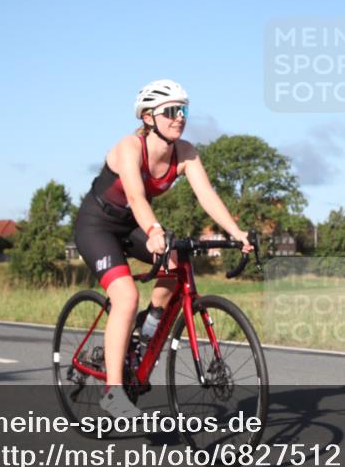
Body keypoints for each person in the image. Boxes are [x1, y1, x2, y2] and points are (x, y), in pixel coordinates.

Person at [73, 79, 253, 419]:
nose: (179, 117)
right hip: (97, 225)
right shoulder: (129, 148)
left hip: (131, 225)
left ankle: (147, 328)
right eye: (170, 111)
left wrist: (236, 231)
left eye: (183, 110)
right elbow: (137, 197)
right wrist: (154, 229)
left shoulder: (185, 152)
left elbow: (207, 196)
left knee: (175, 263)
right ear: (147, 117)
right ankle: (113, 393)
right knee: (125, 295)